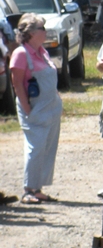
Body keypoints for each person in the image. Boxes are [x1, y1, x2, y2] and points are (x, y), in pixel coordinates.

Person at [9, 13, 63, 203]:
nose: (46, 31)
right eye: (42, 28)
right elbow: (17, 85)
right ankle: (28, 190)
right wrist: (28, 110)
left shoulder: (43, 52)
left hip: (51, 109)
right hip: (35, 109)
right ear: (31, 33)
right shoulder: (21, 54)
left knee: (47, 148)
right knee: (36, 147)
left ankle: (37, 188)